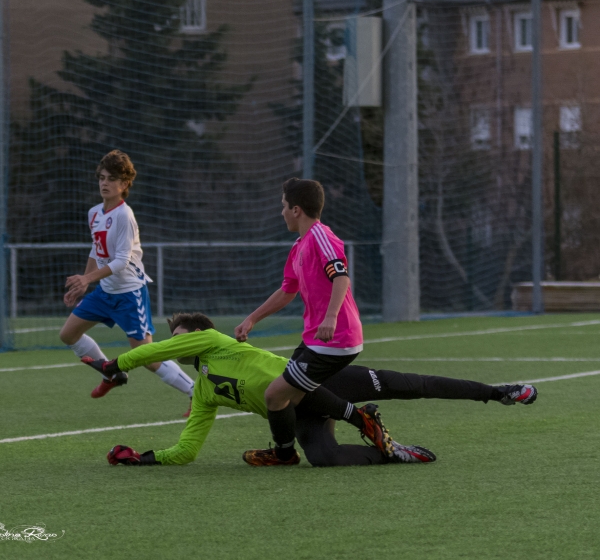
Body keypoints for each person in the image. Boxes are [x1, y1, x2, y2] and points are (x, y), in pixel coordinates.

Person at [92, 313, 537, 467]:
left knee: (411, 385)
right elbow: (188, 449)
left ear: (198, 335)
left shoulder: (215, 341)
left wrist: (116, 364)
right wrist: (143, 458)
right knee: (325, 459)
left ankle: (497, 392)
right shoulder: (203, 393)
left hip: (320, 379)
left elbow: (160, 349)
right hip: (300, 410)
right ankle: (392, 452)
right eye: (175, 339)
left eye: (180, 337)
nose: (176, 343)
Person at [232, 178, 366, 465]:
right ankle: (313, 443)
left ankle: (287, 453)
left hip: (335, 339)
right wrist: (252, 319)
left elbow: (341, 277)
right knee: (290, 395)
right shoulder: (299, 245)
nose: (281, 212)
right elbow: (286, 291)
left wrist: (330, 317)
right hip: (315, 339)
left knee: (275, 395)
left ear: (296, 210)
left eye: (283, 206)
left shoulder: (321, 236)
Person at [58, 150, 193, 406]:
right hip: (104, 292)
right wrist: (84, 283)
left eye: (112, 179)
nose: (104, 183)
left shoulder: (124, 215)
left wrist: (87, 279)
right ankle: (112, 374)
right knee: (68, 334)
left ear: (124, 184)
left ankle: (195, 392)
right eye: (102, 177)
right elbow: (96, 250)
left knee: (147, 357)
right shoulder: (94, 213)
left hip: (129, 294)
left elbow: (121, 261)